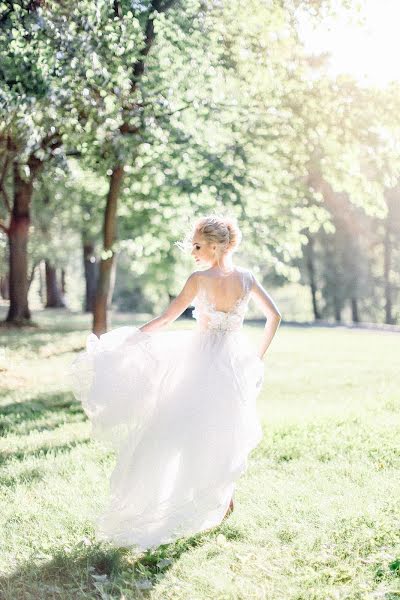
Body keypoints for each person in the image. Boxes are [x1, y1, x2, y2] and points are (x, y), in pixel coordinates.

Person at [69, 213, 282, 552]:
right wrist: (257, 357)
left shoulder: (199, 279)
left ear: (215, 246)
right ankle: (223, 499)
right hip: (234, 361)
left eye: (197, 245)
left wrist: (133, 338)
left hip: (201, 360)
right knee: (224, 428)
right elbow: (275, 316)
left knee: (177, 429)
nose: (193, 251)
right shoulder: (246, 278)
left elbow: (167, 318)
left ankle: (187, 501)